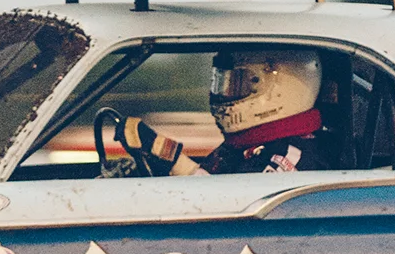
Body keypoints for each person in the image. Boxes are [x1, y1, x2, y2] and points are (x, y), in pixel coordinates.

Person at [107, 50, 329, 176]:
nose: (225, 94)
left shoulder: (287, 157)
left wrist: (169, 157)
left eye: (237, 83)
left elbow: (228, 209)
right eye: (222, 83)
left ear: (279, 89)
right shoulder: (243, 146)